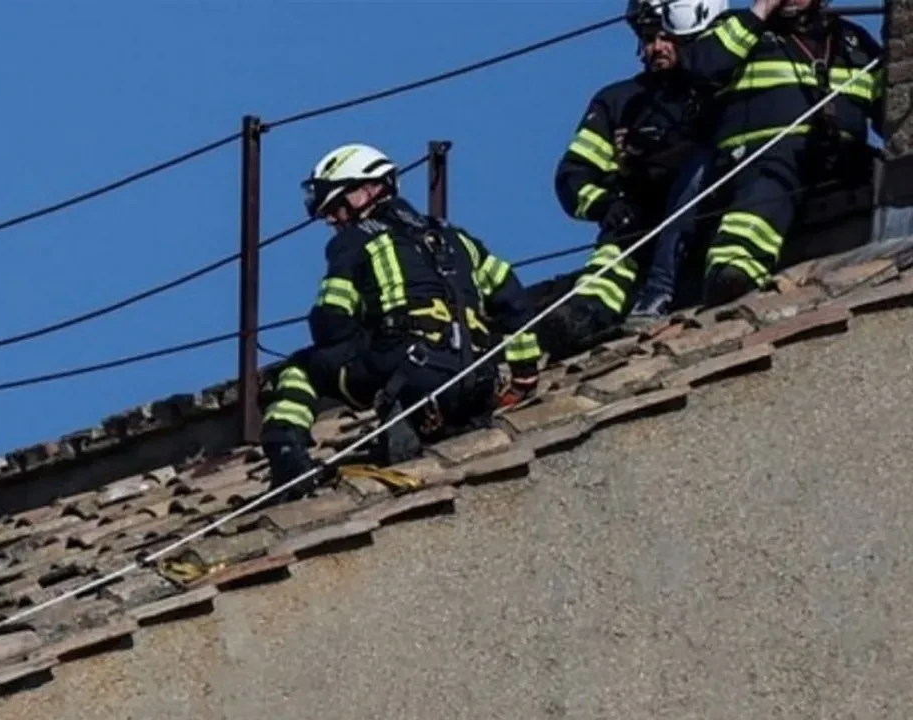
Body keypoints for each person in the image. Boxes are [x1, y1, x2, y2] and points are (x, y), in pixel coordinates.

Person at [260, 143, 543, 500]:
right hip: (479, 381)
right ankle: (429, 422)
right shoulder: (456, 238)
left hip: (408, 369)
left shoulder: (355, 241)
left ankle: (289, 464)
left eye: (336, 206)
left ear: (370, 190)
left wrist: (366, 337)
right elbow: (512, 299)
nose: (332, 220)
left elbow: (330, 324)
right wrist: (523, 376)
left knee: (298, 370)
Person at [540, 0, 726, 359]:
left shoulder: (717, 89)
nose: (656, 47)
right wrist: (608, 205)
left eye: (665, 36)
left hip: (703, 217)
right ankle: (584, 317)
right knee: (609, 264)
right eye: (647, 37)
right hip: (634, 225)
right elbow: (573, 176)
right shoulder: (619, 101)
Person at [676, 0, 885, 305]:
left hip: (838, 159)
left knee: (883, 171)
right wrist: (759, 12)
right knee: (773, 175)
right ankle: (733, 266)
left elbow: (890, 108)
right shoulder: (739, 27)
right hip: (758, 159)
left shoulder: (852, 40)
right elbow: (700, 66)